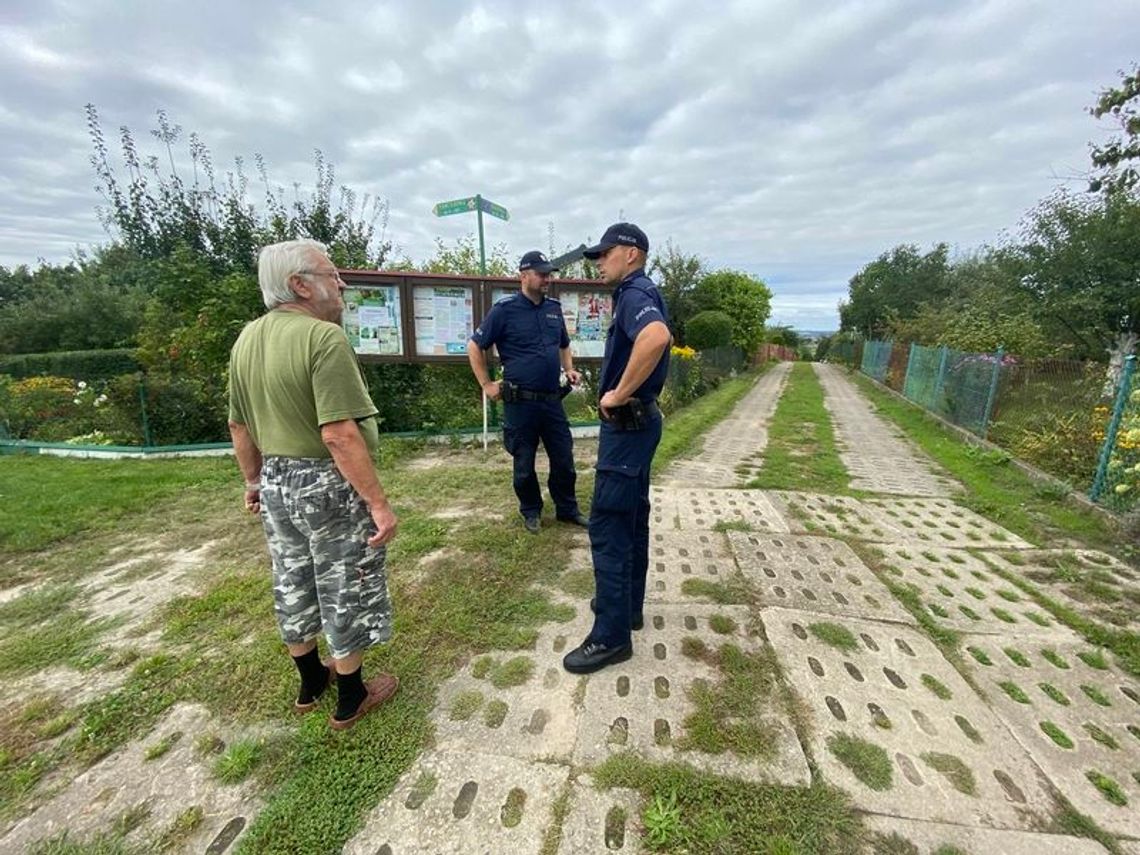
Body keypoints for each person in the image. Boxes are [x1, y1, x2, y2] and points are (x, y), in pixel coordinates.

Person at [228, 238, 400, 730]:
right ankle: (351, 695)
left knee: (292, 575)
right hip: (327, 480)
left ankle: (310, 681)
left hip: (278, 478)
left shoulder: (246, 340)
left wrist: (254, 481)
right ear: (299, 285)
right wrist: (379, 504)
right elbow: (339, 433)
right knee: (345, 578)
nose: (341, 282)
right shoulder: (323, 339)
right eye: (331, 274)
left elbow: (239, 426)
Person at [563, 223, 672, 674]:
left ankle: (610, 637)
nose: (599, 262)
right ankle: (626, 608)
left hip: (627, 429)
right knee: (632, 518)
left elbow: (656, 338)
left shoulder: (633, 294)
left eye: (605, 254)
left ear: (630, 253)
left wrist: (618, 393)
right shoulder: (639, 291)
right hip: (640, 427)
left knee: (608, 526)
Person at [467, 250, 588, 534]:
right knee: (524, 463)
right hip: (520, 402)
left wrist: (568, 368)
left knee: (564, 459)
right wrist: (486, 384)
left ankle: (567, 509)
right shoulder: (504, 310)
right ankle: (531, 510)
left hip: (551, 400)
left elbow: (564, 343)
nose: (548, 279)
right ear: (524, 276)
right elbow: (475, 346)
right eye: (542, 274)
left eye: (549, 274)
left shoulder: (553, 309)